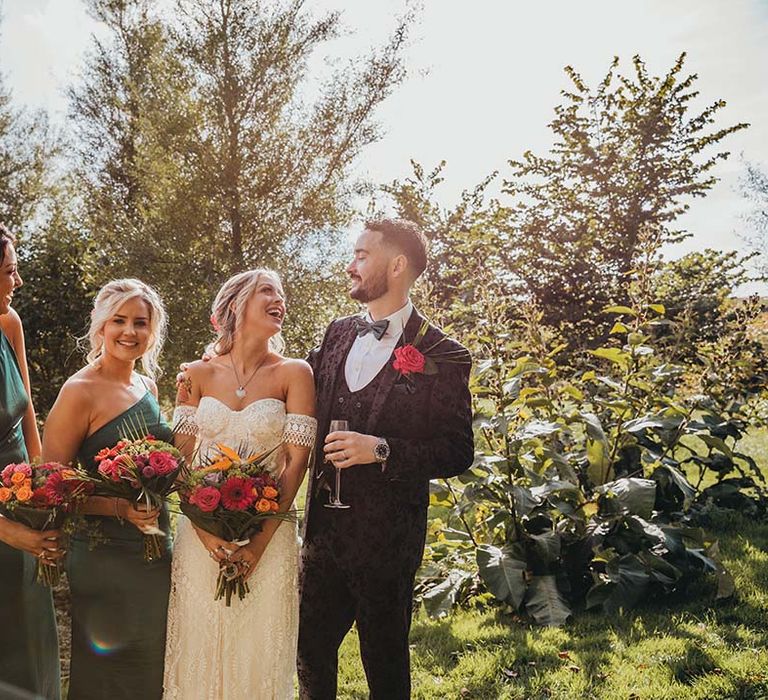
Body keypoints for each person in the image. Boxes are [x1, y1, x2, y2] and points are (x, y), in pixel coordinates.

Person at [297, 218, 474, 699]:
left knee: (384, 663)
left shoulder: (444, 353)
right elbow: (293, 389)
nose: (350, 265)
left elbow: (457, 451)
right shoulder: (336, 334)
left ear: (396, 265)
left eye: (361, 255)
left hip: (388, 541)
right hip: (321, 535)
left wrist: (379, 450)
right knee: (309, 653)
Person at [163, 269, 316, 700]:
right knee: (200, 640)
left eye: (282, 294)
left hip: (270, 531)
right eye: (267, 291)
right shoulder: (193, 374)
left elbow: (296, 462)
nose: (279, 300)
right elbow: (181, 462)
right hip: (201, 536)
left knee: (258, 646)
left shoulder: (295, 373)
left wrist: (258, 544)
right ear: (235, 305)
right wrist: (207, 532)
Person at [42, 279, 172, 700]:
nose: (129, 332)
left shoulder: (148, 387)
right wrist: (118, 508)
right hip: (103, 553)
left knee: (151, 661)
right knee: (105, 671)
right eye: (119, 320)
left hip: (155, 549)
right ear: (101, 325)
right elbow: (52, 487)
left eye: (140, 322)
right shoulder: (78, 392)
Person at [0, 224, 62, 699]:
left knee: (30, 638)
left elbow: (28, 418)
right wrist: (10, 531)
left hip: (21, 497)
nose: (17, 282)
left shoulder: (9, 322)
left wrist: (46, 490)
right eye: (10, 271)